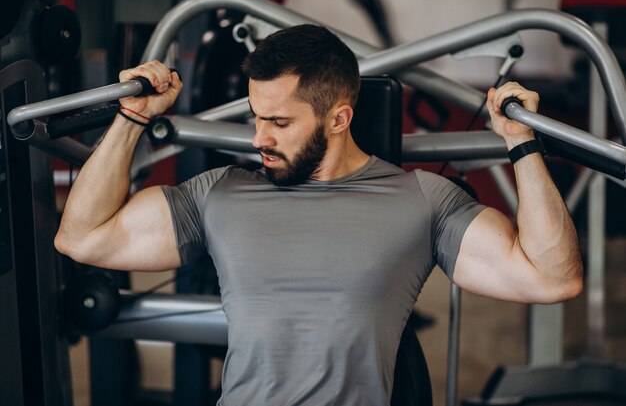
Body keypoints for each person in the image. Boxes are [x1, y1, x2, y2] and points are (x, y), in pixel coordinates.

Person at [55, 24, 583, 405]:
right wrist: (131, 118)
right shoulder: (219, 193)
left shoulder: (420, 199)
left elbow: (551, 277)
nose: (258, 138)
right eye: (256, 117)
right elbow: (82, 239)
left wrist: (522, 144)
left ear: (339, 118)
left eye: (279, 123)